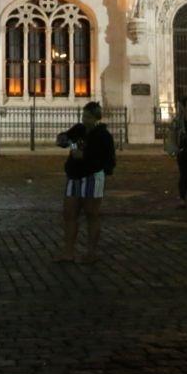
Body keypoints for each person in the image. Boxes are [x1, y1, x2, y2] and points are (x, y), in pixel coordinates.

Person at [54, 101, 116, 263]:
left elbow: (108, 159)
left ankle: (91, 253)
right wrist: (63, 139)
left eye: (88, 117)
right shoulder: (79, 129)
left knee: (91, 213)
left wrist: (86, 158)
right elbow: (67, 139)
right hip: (74, 176)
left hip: (92, 176)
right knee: (69, 213)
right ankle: (68, 252)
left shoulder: (103, 136)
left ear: (96, 118)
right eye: (83, 115)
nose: (84, 119)